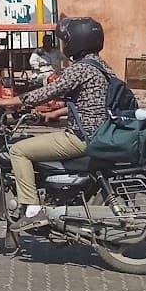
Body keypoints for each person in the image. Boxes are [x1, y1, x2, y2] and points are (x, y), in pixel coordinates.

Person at [11, 15, 114, 231]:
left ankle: (32, 210)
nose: (63, 45)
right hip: (102, 132)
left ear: (77, 41)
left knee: (19, 150)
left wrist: (9, 101)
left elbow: (49, 91)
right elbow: (93, 102)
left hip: (82, 137)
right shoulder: (102, 66)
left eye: (66, 41)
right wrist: (59, 112)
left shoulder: (80, 68)